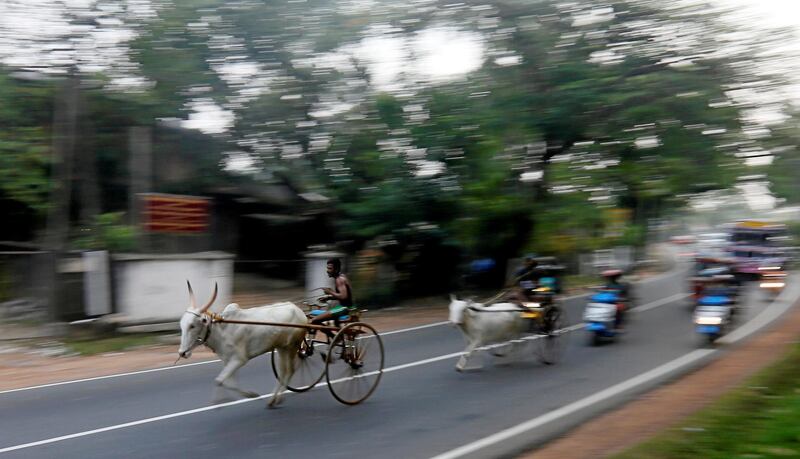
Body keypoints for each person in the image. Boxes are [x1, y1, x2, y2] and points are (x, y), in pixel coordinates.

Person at [310, 258, 354, 329]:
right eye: (327, 268)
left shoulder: (339, 280)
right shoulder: (340, 277)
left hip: (344, 308)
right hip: (342, 307)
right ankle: (335, 336)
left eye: (330, 268)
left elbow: (344, 296)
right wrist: (328, 297)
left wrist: (329, 292)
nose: (327, 271)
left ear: (336, 269)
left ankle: (333, 337)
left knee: (315, 320)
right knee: (317, 319)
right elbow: (343, 295)